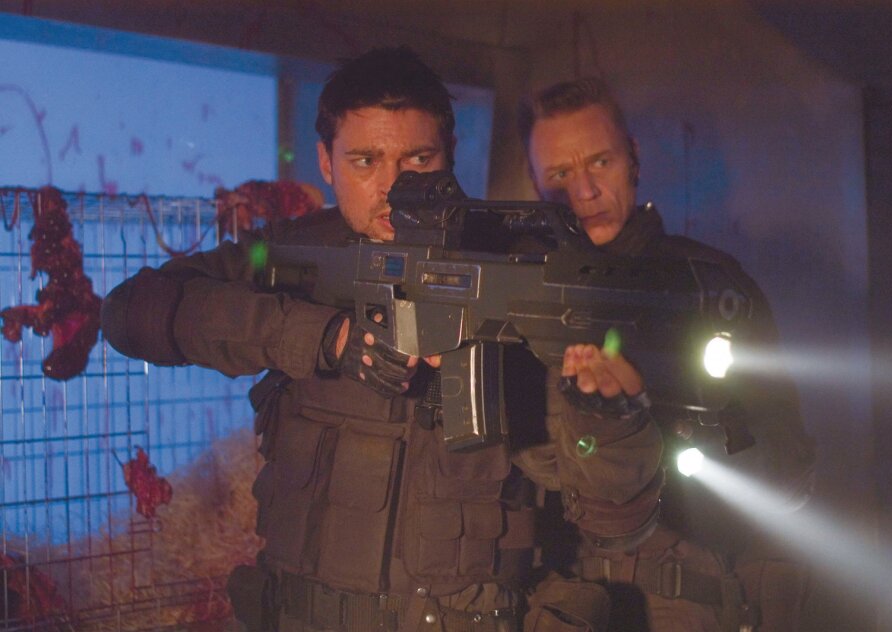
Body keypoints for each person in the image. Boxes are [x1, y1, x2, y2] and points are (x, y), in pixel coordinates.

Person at [100, 48, 665, 632]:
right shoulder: (295, 254)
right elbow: (128, 313)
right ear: (325, 161)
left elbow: (617, 523)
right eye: (365, 160)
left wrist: (611, 420)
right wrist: (324, 337)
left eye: (418, 158)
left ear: (450, 153)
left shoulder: (518, 270)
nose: (395, 188)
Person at [517, 77, 817, 632]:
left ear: (632, 158)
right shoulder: (515, 297)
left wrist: (692, 441)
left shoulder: (709, 285)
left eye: (600, 162)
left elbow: (789, 463)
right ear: (535, 182)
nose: (585, 191)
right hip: (569, 603)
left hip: (695, 596)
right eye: (560, 174)